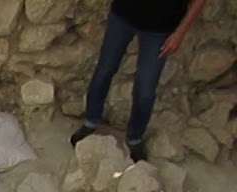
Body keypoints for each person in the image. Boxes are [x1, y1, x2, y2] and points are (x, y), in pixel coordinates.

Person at [70, 0, 208, 163]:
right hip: (123, 14)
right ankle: (90, 121)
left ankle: (135, 137)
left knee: (145, 90)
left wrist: (180, 33)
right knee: (105, 69)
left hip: (160, 28)